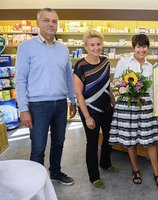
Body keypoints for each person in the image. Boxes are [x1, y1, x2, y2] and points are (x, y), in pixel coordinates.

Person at [15, 8, 76, 185]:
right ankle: (36, 182)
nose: (51, 24)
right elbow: (20, 80)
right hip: (37, 105)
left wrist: (72, 100)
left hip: (60, 103)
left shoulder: (63, 49)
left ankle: (55, 172)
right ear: (38, 23)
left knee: (59, 142)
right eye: (46, 20)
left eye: (54, 21)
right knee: (38, 146)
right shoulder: (26, 47)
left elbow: (68, 77)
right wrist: (23, 109)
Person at [109, 34, 158, 189]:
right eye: (139, 46)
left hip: (146, 106)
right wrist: (123, 96)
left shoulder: (151, 66)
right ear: (134, 47)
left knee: (151, 142)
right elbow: (115, 84)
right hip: (128, 106)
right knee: (130, 140)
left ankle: (156, 173)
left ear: (148, 47)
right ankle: (135, 170)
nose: (142, 50)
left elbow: (154, 90)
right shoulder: (124, 62)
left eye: (144, 46)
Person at [73, 29, 118, 189]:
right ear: (86, 46)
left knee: (109, 138)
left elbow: (108, 87)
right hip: (89, 110)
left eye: (98, 44)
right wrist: (87, 117)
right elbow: (78, 93)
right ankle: (94, 177)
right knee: (92, 143)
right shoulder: (80, 66)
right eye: (92, 45)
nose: (96, 47)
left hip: (106, 107)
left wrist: (114, 104)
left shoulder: (105, 62)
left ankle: (105, 163)